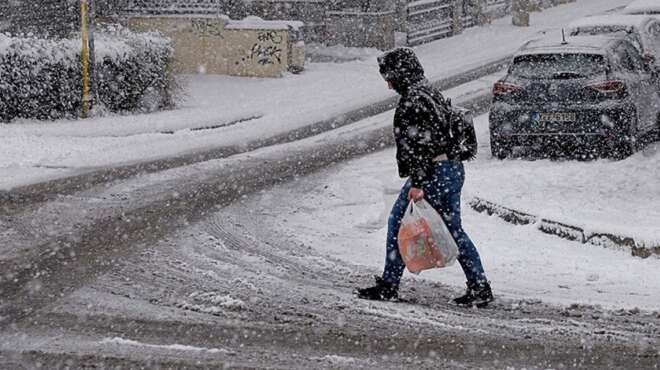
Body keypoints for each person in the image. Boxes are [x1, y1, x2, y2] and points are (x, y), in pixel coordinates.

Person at [356, 47, 494, 307]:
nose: (388, 85)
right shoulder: (429, 92)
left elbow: (420, 144)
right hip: (451, 170)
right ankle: (479, 286)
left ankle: (389, 285)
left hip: (432, 173)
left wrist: (418, 183)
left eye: (389, 77)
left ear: (400, 73)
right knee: (453, 230)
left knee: (398, 222)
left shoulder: (414, 99)